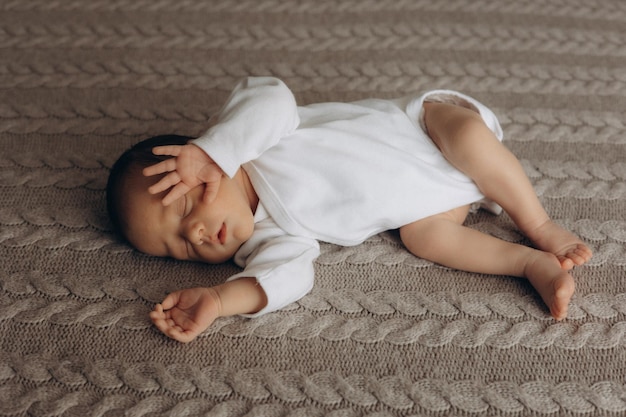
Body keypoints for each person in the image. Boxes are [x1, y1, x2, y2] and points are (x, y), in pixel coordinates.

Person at [106, 77, 592, 343]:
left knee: (468, 139)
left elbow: (272, 96)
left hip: (428, 128)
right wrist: (219, 301)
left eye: (187, 203)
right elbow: (291, 277)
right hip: (430, 202)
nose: (194, 232)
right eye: (179, 250)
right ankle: (529, 263)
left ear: (201, 157)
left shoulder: (251, 140)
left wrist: (218, 149)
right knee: (425, 239)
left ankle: (538, 224)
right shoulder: (268, 239)